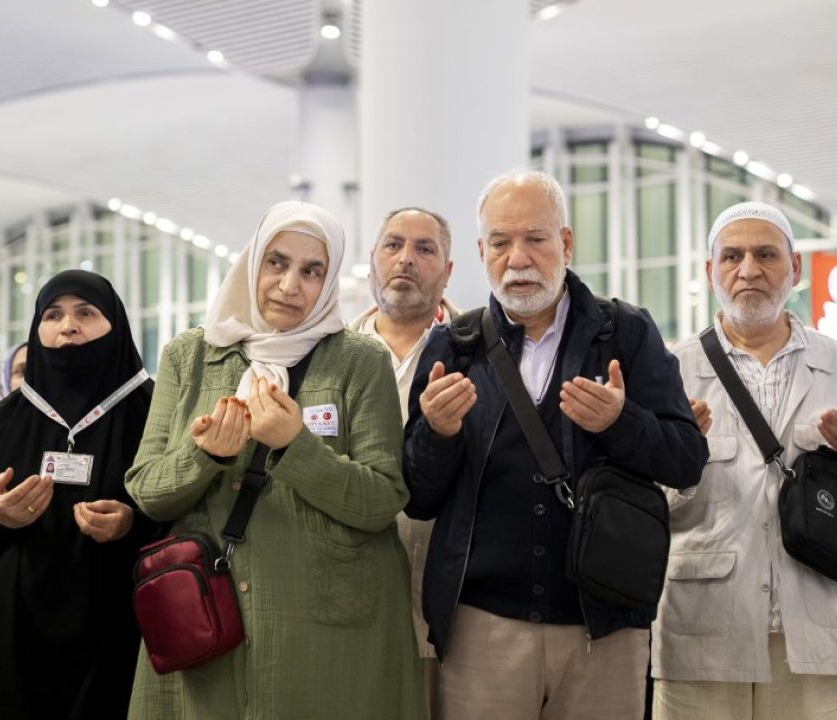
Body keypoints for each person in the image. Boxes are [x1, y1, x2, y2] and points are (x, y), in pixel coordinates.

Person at [404, 170, 707, 720]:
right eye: (500, 242)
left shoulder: (625, 334)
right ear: (481, 252)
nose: (518, 258)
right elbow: (418, 495)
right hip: (483, 630)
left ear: (566, 243)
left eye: (536, 238)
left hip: (604, 628)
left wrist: (621, 421)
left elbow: (686, 460)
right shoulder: (455, 346)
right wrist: (438, 434)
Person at [126, 200, 423, 719]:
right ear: (252, 262)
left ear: (329, 283)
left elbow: (382, 498)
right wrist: (204, 454)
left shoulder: (359, 360)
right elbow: (148, 491)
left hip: (328, 629)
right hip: (207, 617)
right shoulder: (191, 355)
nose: (289, 286)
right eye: (277, 263)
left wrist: (296, 446)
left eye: (313, 271)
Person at [653, 201, 837, 720]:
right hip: (702, 633)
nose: (749, 269)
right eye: (732, 256)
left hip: (817, 631)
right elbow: (642, 501)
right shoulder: (670, 371)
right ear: (710, 272)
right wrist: (677, 458)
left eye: (766, 254)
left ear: (794, 269)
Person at [0, 269, 155, 720]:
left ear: (116, 324)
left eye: (86, 313)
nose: (68, 325)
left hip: (121, 640)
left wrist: (132, 525)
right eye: (53, 314)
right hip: (11, 648)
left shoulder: (151, 409)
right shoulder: (9, 418)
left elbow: (188, 517)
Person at [350, 205, 461, 716]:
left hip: (450, 606)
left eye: (424, 248)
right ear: (372, 261)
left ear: (448, 269)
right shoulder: (332, 355)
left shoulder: (480, 353)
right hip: (350, 601)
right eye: (393, 246)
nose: (406, 260)